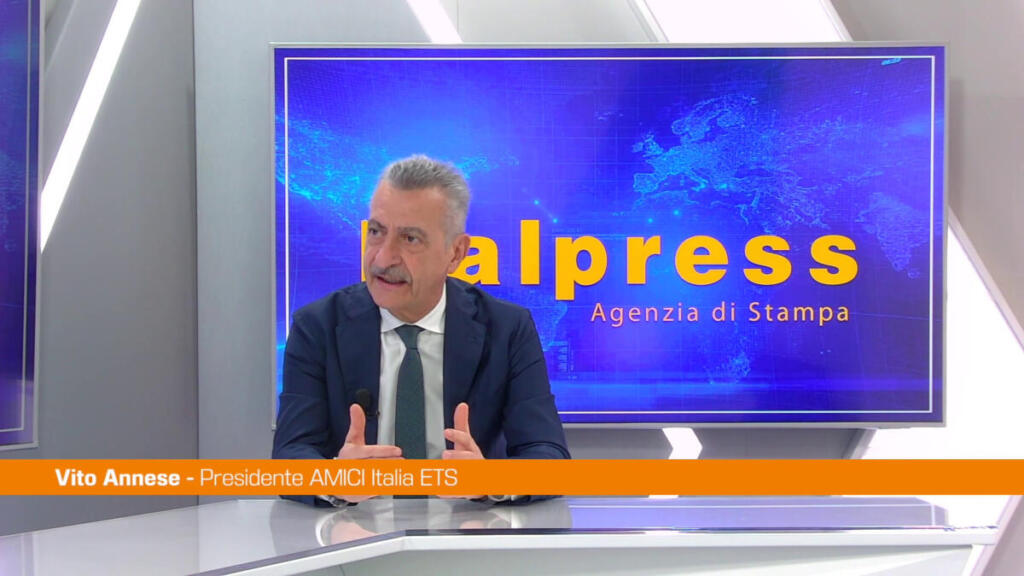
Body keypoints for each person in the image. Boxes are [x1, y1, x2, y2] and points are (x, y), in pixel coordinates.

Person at [273, 155, 570, 506]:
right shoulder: (317, 326)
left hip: (467, 527)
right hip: (354, 528)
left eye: (410, 239)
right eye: (376, 232)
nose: (382, 259)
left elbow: (551, 460)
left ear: (456, 253)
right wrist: (335, 478)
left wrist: (490, 479)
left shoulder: (507, 329)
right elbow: (289, 457)